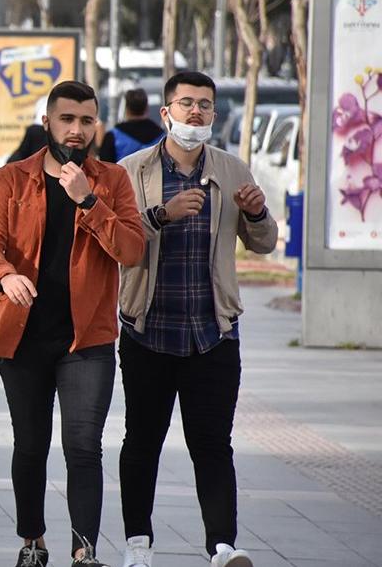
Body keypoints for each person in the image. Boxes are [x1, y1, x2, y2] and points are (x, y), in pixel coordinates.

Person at [0, 80, 144, 567]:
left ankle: (83, 551)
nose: (76, 130)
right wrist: (5, 276)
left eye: (86, 120)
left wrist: (89, 202)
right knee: (30, 445)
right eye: (67, 119)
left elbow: (131, 251)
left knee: (84, 446)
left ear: (97, 126)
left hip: (86, 338)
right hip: (21, 334)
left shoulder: (110, 180)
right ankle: (33, 540)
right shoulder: (11, 178)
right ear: (46, 122)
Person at [116, 72, 277, 567]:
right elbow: (113, 242)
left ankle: (223, 547)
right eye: (186, 104)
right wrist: (161, 215)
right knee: (142, 441)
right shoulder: (131, 171)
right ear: (165, 113)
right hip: (148, 330)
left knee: (213, 444)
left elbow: (266, 243)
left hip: (213, 333)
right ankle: (138, 544)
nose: (195, 113)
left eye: (205, 106)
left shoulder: (232, 170)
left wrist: (255, 213)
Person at [98, 88, 164, 163]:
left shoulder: (113, 137)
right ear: (146, 108)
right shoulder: (161, 136)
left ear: (127, 109)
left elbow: (104, 167)